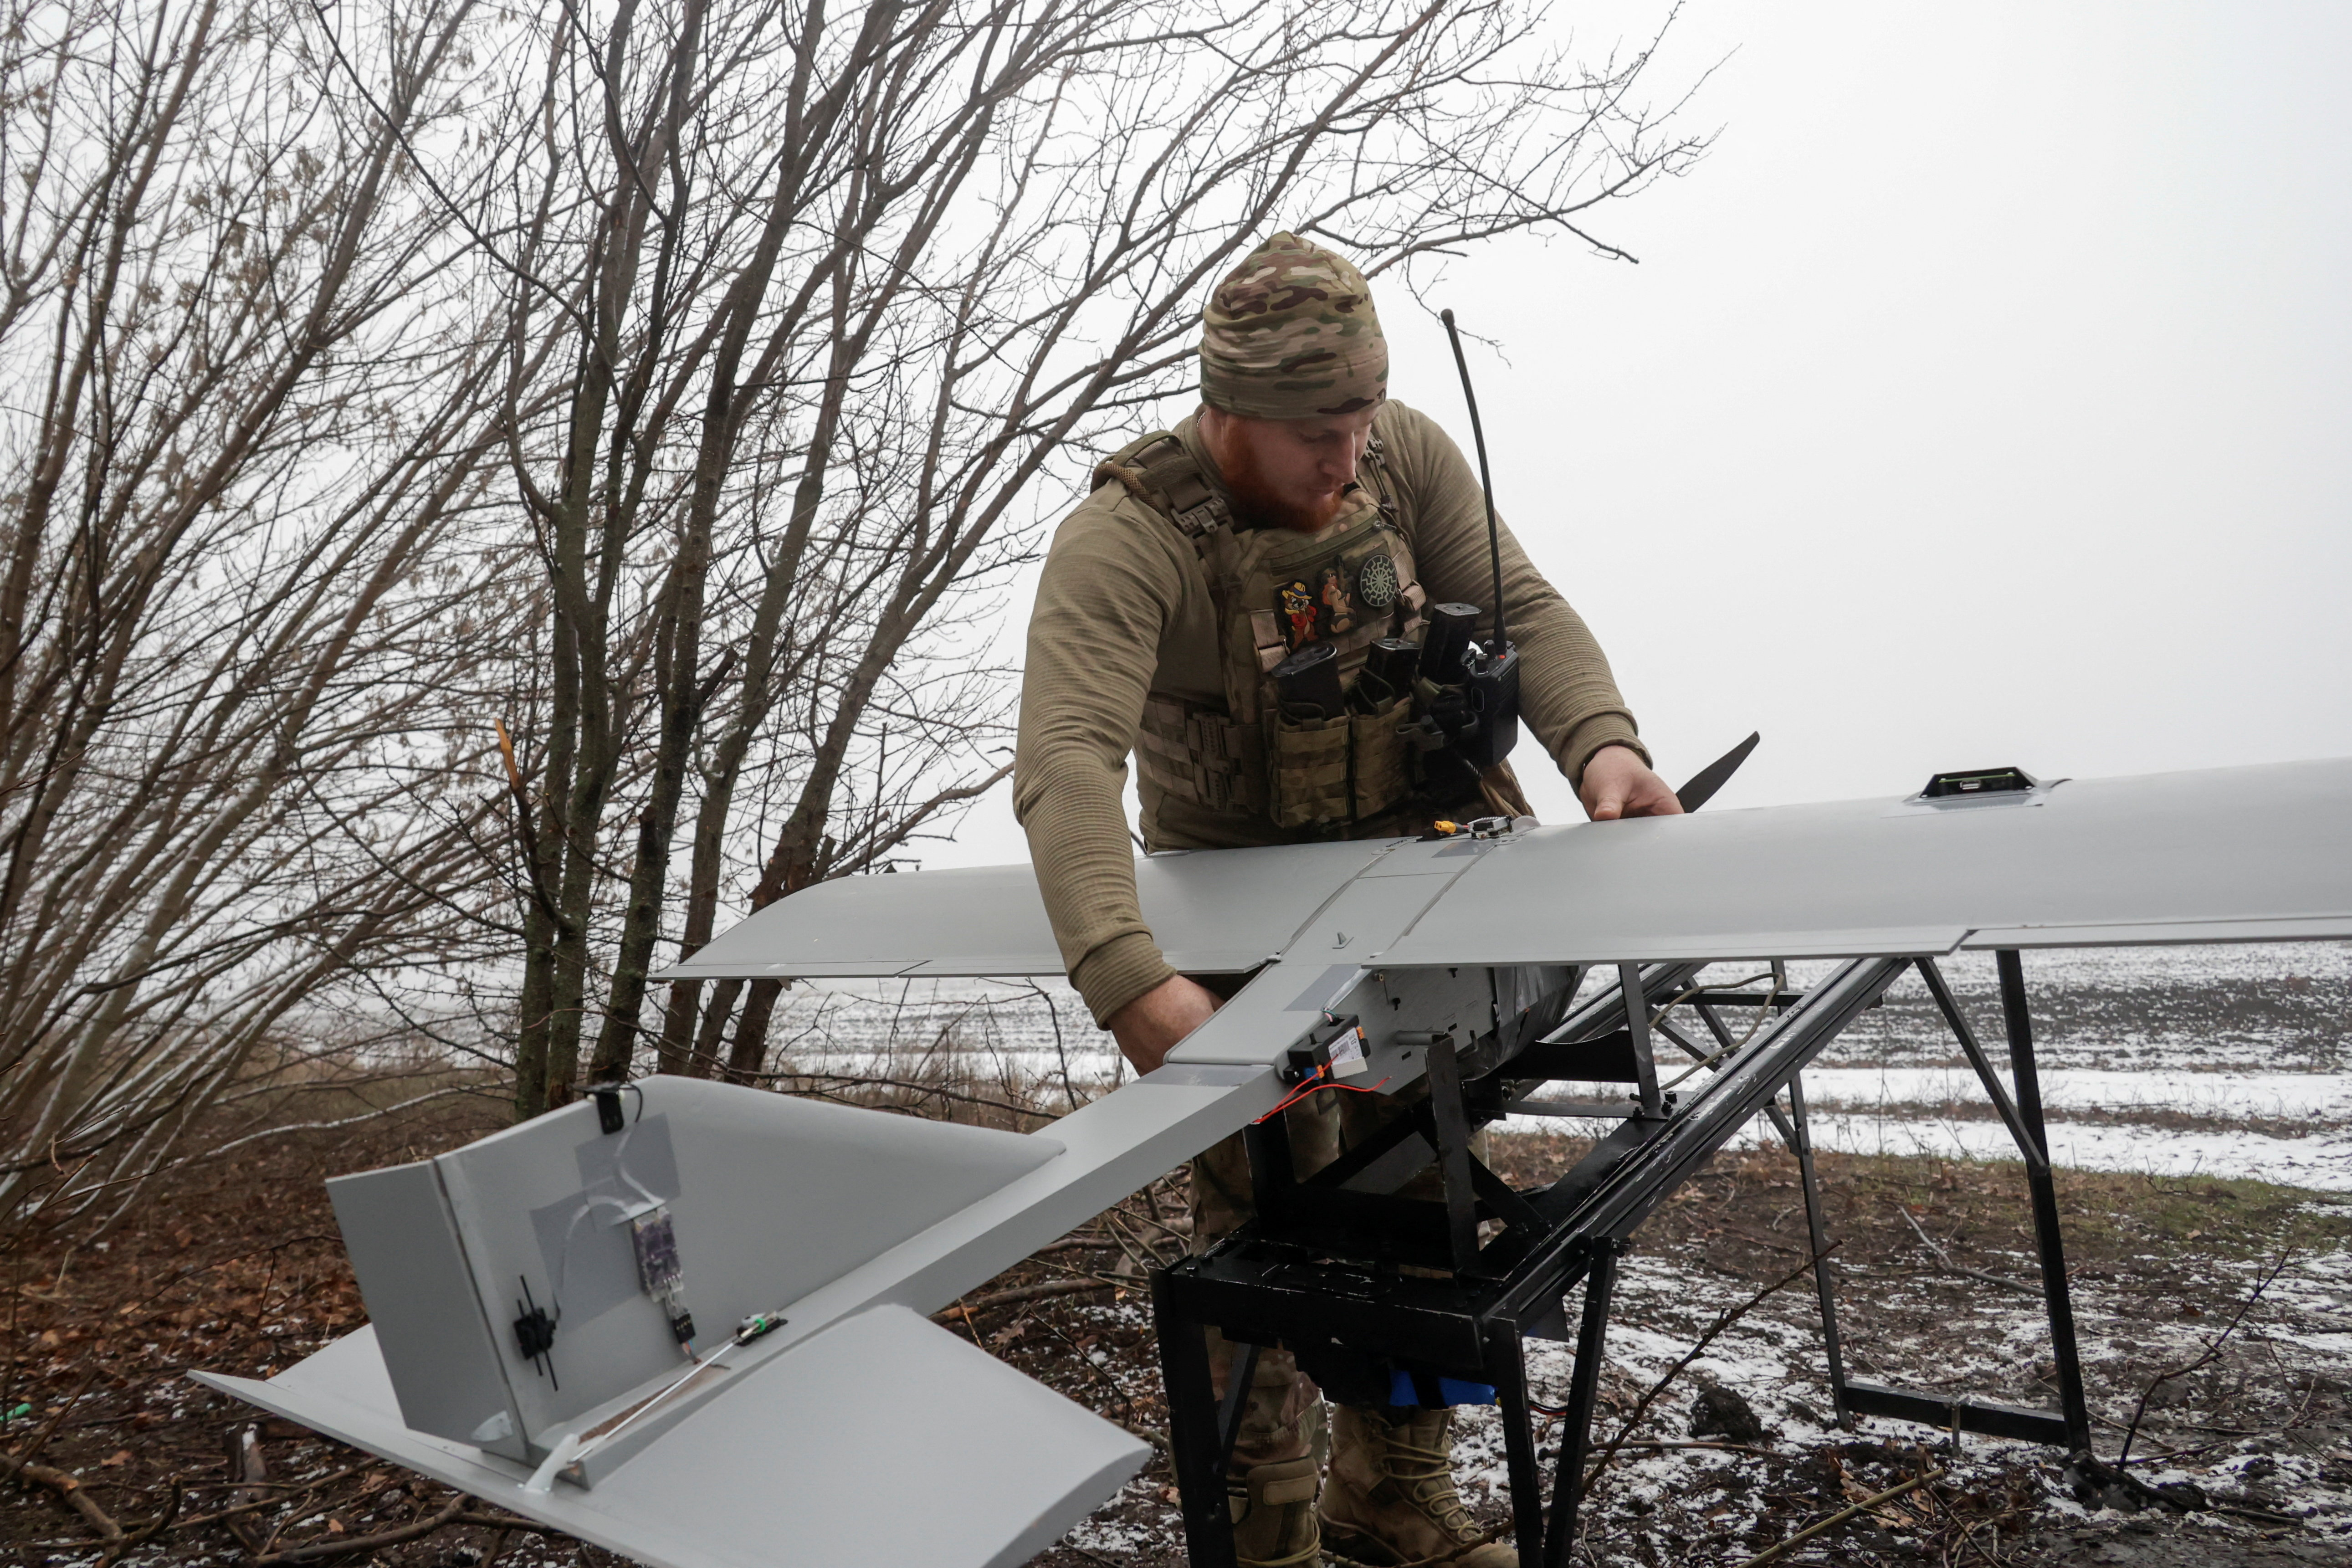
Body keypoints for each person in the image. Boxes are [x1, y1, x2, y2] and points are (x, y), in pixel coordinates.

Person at [1014, 232, 1681, 1568]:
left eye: (1363, 413)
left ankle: (1394, 1495)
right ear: (1229, 414)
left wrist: (1604, 746)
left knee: (1426, 1201)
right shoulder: (1131, 537)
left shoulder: (1402, 456)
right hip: (1245, 940)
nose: (1348, 451)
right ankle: (1264, 1542)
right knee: (1259, 1244)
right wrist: (1131, 978)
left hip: (1422, 897)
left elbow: (1524, 608)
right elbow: (1064, 757)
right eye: (1317, 428)